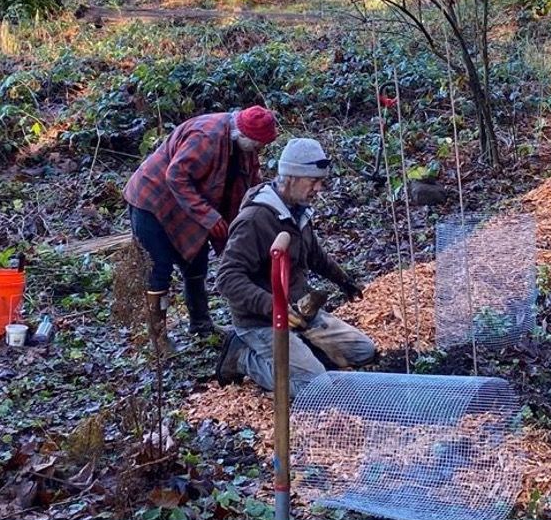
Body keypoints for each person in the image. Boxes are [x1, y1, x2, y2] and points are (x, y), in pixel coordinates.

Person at [211, 138, 374, 391]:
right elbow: (227, 278)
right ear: (291, 178)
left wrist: (345, 281)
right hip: (261, 321)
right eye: (314, 181)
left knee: (363, 351)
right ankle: (243, 358)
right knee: (314, 388)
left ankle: (301, 350)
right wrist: (272, 306)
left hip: (299, 312)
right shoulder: (255, 219)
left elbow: (315, 254)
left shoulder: (298, 209)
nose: (319, 188)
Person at [125, 106, 277, 336]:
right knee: (159, 269)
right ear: (243, 135)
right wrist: (209, 217)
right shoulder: (207, 136)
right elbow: (176, 176)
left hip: (189, 206)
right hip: (153, 202)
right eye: (258, 144)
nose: (260, 149)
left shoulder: (243, 149)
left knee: (196, 265)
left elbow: (248, 187)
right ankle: (158, 337)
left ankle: (201, 325)